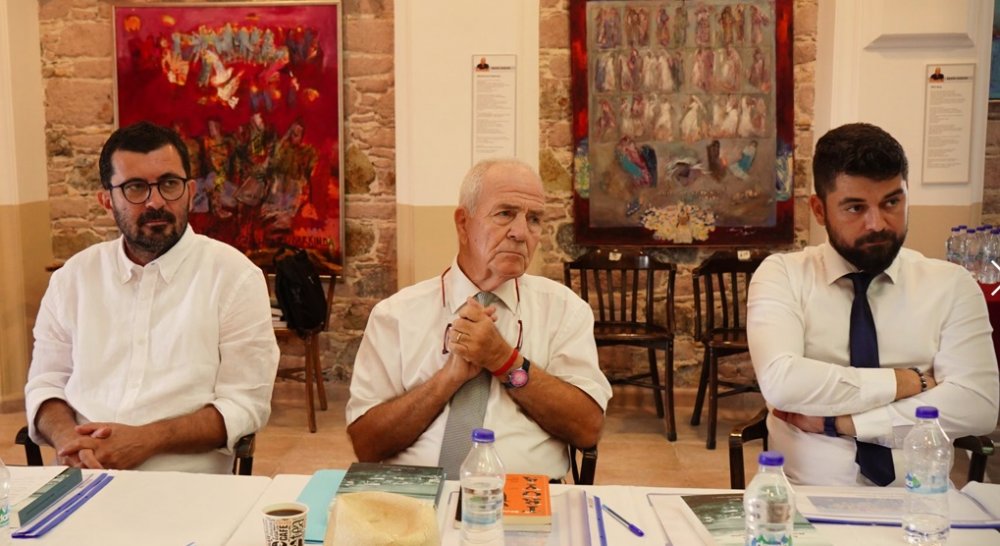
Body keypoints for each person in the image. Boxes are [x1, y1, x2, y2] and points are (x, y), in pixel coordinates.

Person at [747, 122, 999, 486]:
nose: (877, 223)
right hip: (804, 498)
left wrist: (844, 423)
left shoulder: (951, 285)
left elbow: (977, 405)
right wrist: (909, 381)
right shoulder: (783, 275)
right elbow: (783, 383)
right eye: (855, 207)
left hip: (921, 499)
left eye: (892, 202)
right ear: (819, 210)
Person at [25, 121, 280, 474]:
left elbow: (245, 404)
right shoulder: (73, 279)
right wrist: (68, 439)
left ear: (191, 191)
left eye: (169, 184)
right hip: (80, 478)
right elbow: (46, 384)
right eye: (135, 188)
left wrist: (147, 440)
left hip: (186, 486)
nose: (156, 201)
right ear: (106, 200)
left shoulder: (234, 277)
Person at [346, 158, 612, 480]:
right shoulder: (397, 315)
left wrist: (504, 361)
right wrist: (448, 379)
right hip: (417, 494)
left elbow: (587, 429)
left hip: (525, 493)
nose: (521, 233)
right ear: (463, 224)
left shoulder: (564, 311)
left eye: (534, 219)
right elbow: (367, 445)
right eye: (505, 214)